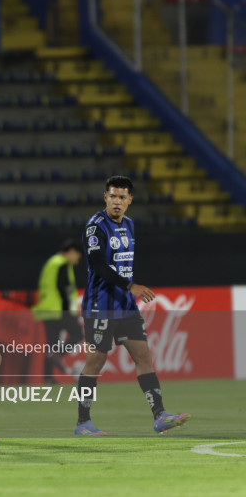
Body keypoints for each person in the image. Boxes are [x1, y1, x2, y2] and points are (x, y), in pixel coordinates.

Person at [75, 175, 190, 436]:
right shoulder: (96, 227)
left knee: (144, 357)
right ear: (105, 197)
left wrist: (128, 292)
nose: (117, 201)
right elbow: (98, 267)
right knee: (96, 360)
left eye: (122, 197)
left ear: (130, 200)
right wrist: (130, 286)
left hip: (125, 306)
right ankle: (83, 422)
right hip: (100, 305)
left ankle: (160, 416)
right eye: (113, 196)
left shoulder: (129, 225)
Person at [31, 240, 83, 383]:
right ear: (71, 251)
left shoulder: (51, 262)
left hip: (46, 309)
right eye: (78, 256)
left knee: (51, 344)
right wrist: (70, 311)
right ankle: (57, 354)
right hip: (58, 309)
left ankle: (47, 378)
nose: (77, 261)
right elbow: (64, 288)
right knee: (77, 333)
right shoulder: (62, 263)